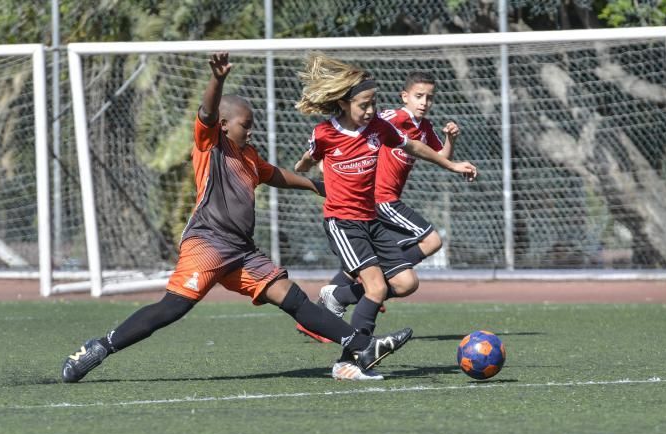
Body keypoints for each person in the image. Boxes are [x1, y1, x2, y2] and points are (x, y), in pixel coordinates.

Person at [60, 53, 412, 383]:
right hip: (208, 243)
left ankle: (361, 345)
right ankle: (100, 347)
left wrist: (315, 186)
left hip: (242, 252)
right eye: (247, 125)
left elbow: (274, 175)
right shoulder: (211, 145)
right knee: (172, 309)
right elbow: (208, 112)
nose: (252, 130)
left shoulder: (248, 155)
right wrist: (217, 81)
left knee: (293, 299)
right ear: (225, 126)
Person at [293, 53, 478, 367]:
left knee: (406, 283)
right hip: (344, 221)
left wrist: (450, 162)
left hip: (371, 221)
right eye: (363, 104)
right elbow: (308, 159)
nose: (369, 110)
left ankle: (338, 297)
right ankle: (351, 361)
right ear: (343, 103)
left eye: (372, 103)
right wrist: (306, 170)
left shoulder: (379, 127)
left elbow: (416, 147)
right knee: (377, 286)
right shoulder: (326, 133)